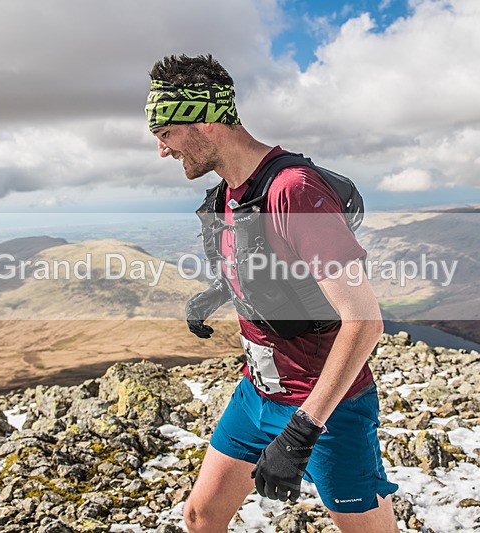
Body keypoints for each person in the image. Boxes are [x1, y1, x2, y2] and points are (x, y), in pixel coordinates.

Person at [145, 54, 399, 533]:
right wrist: (218, 294)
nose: (162, 150)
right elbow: (270, 267)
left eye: (165, 134)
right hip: (257, 393)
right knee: (201, 516)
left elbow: (364, 321)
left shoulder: (294, 192)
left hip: (326, 406)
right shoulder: (228, 195)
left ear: (205, 120)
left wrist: (304, 429)